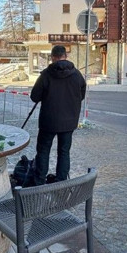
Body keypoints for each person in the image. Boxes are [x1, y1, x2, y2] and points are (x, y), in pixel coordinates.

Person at [30, 45, 86, 185]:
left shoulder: (46, 75)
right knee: (64, 151)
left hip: (48, 121)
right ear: (65, 56)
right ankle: (61, 181)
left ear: (53, 57)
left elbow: (34, 97)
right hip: (69, 122)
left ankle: (39, 181)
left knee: (43, 151)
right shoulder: (77, 75)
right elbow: (81, 95)